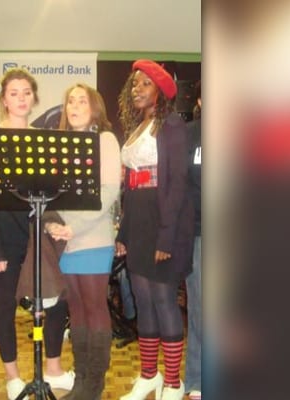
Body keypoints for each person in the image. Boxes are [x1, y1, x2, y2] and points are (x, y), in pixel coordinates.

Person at [0, 67, 73, 400]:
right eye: (14, 93)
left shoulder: (43, 139)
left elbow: (48, 194)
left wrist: (52, 224)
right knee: (6, 305)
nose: (21, 98)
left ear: (34, 98)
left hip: (37, 235)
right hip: (5, 235)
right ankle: (12, 378)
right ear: (4, 100)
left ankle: (53, 369)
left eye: (26, 92)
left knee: (57, 302)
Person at [115, 60, 196, 400]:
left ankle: (174, 382)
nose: (137, 88)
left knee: (163, 300)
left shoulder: (172, 124)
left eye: (145, 83)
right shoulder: (138, 126)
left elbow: (177, 183)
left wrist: (166, 236)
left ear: (160, 91)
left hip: (164, 223)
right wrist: (123, 234)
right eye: (134, 83)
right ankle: (149, 375)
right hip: (138, 221)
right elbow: (131, 188)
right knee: (143, 301)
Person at [42, 83, 121, 400]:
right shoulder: (62, 145)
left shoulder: (105, 140)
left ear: (95, 107)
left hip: (93, 238)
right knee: (75, 311)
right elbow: (53, 193)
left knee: (93, 308)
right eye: (70, 101)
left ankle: (94, 386)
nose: (74, 106)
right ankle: (82, 381)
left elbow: (109, 191)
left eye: (81, 101)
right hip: (67, 241)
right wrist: (53, 224)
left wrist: (73, 227)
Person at [183, 81, 203, 400]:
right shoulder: (189, 135)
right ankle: (197, 379)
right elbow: (180, 187)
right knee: (200, 308)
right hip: (199, 233)